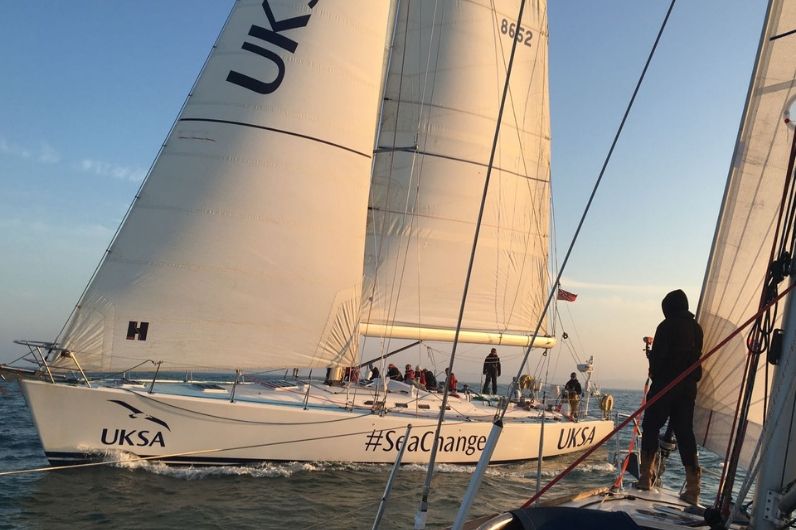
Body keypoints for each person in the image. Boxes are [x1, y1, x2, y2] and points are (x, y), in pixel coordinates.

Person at [637, 289, 703, 505]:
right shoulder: (697, 328)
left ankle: (646, 478)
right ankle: (693, 489)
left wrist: (653, 370)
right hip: (688, 388)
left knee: (651, 425)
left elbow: (658, 361)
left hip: (666, 386)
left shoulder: (666, 326)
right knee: (685, 433)